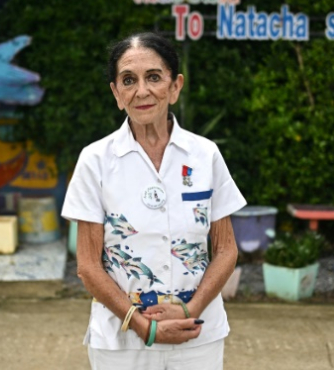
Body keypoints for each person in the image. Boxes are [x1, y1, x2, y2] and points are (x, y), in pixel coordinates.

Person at [62, 32, 247, 370]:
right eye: (128, 80)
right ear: (117, 94)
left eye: (154, 77)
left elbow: (226, 249)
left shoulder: (205, 155)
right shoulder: (96, 160)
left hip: (196, 333)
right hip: (121, 339)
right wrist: (142, 326)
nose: (142, 91)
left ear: (175, 86)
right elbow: (88, 265)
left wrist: (190, 309)